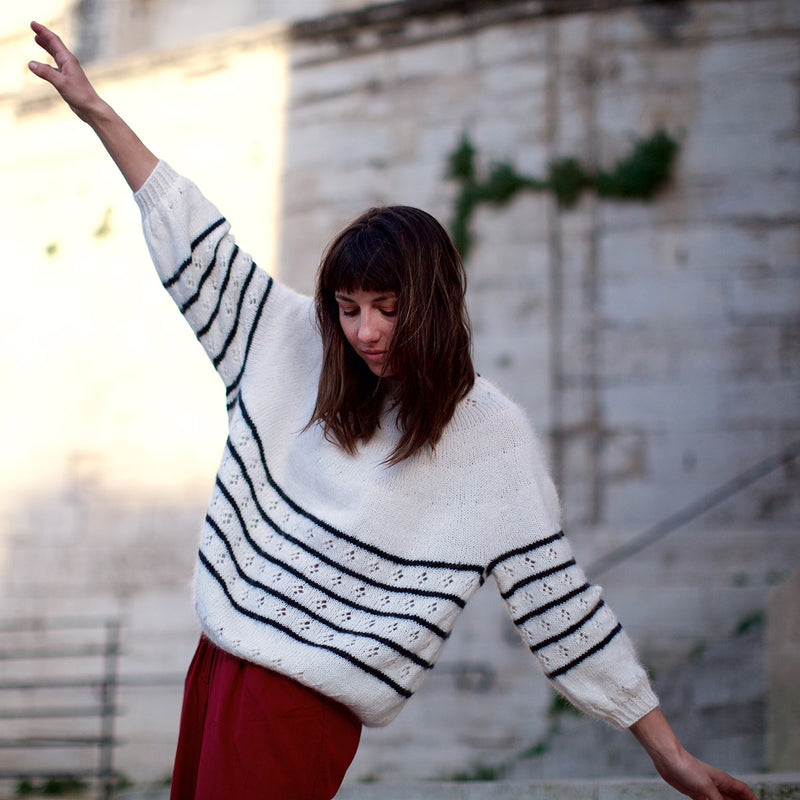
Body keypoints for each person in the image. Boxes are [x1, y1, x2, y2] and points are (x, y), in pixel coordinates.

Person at [28, 21, 757, 800]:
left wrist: (666, 749)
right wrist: (97, 112)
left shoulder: (489, 439)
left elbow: (559, 603)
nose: (364, 331)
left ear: (434, 304)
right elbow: (194, 242)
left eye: (386, 306)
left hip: (301, 705)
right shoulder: (290, 345)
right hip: (217, 665)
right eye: (347, 307)